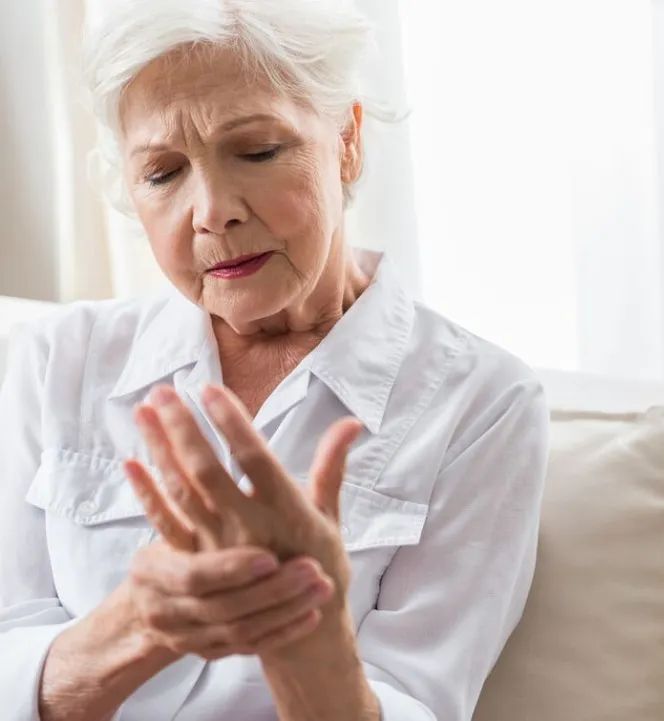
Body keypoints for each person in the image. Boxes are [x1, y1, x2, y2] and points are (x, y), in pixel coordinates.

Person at [0, 1, 550, 719]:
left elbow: (422, 698)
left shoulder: (481, 401)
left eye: (256, 151)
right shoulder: (57, 359)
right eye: (163, 172)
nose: (211, 211)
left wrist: (306, 640)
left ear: (347, 140)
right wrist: (140, 620)